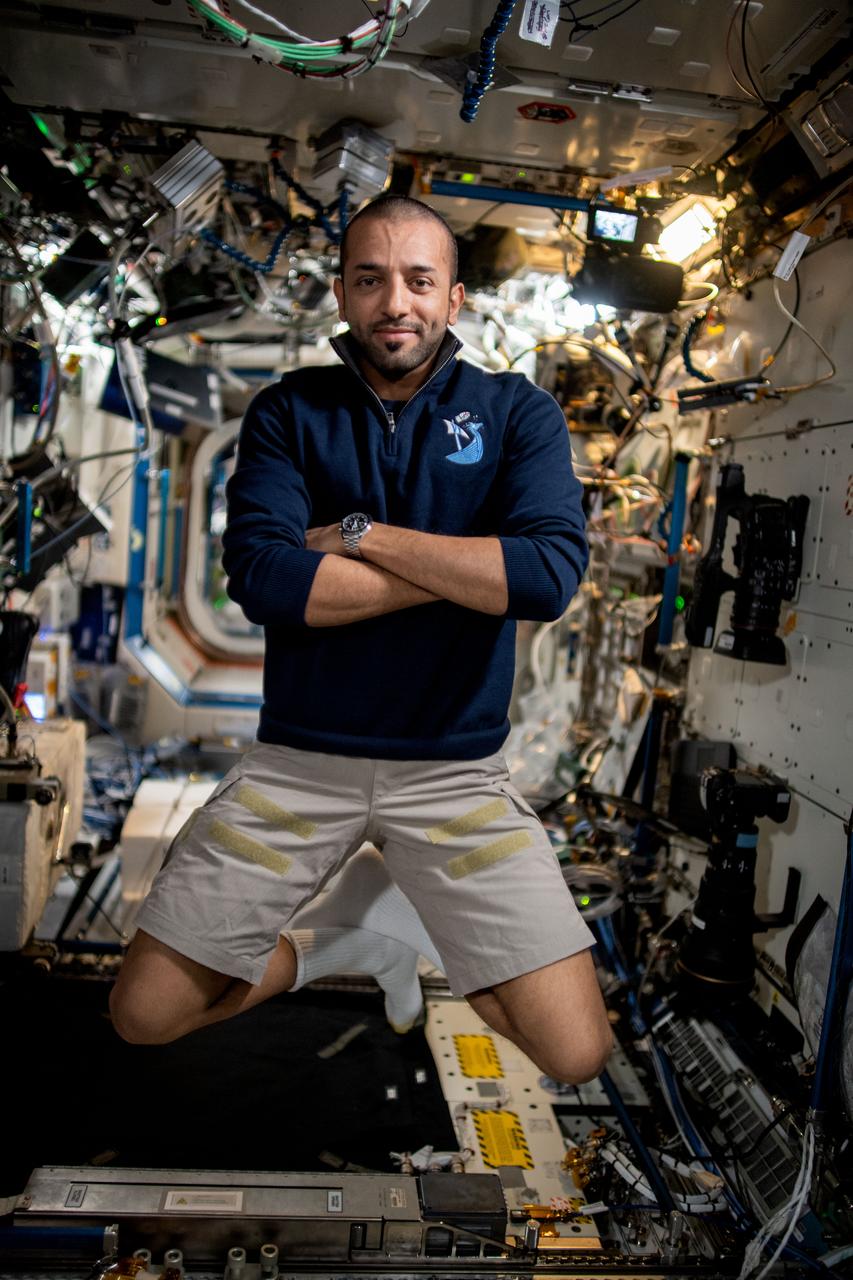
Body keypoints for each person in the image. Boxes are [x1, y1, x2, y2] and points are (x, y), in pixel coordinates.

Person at [110, 195, 612, 1085]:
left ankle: (409, 919)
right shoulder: (286, 413)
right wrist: (464, 572)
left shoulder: (516, 414)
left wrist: (357, 533)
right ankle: (355, 936)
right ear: (341, 294)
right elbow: (265, 583)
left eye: (420, 280)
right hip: (299, 765)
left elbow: (543, 580)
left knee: (575, 1053)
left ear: (454, 299)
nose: (396, 303)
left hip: (454, 775)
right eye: (372, 280)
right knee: (145, 1015)